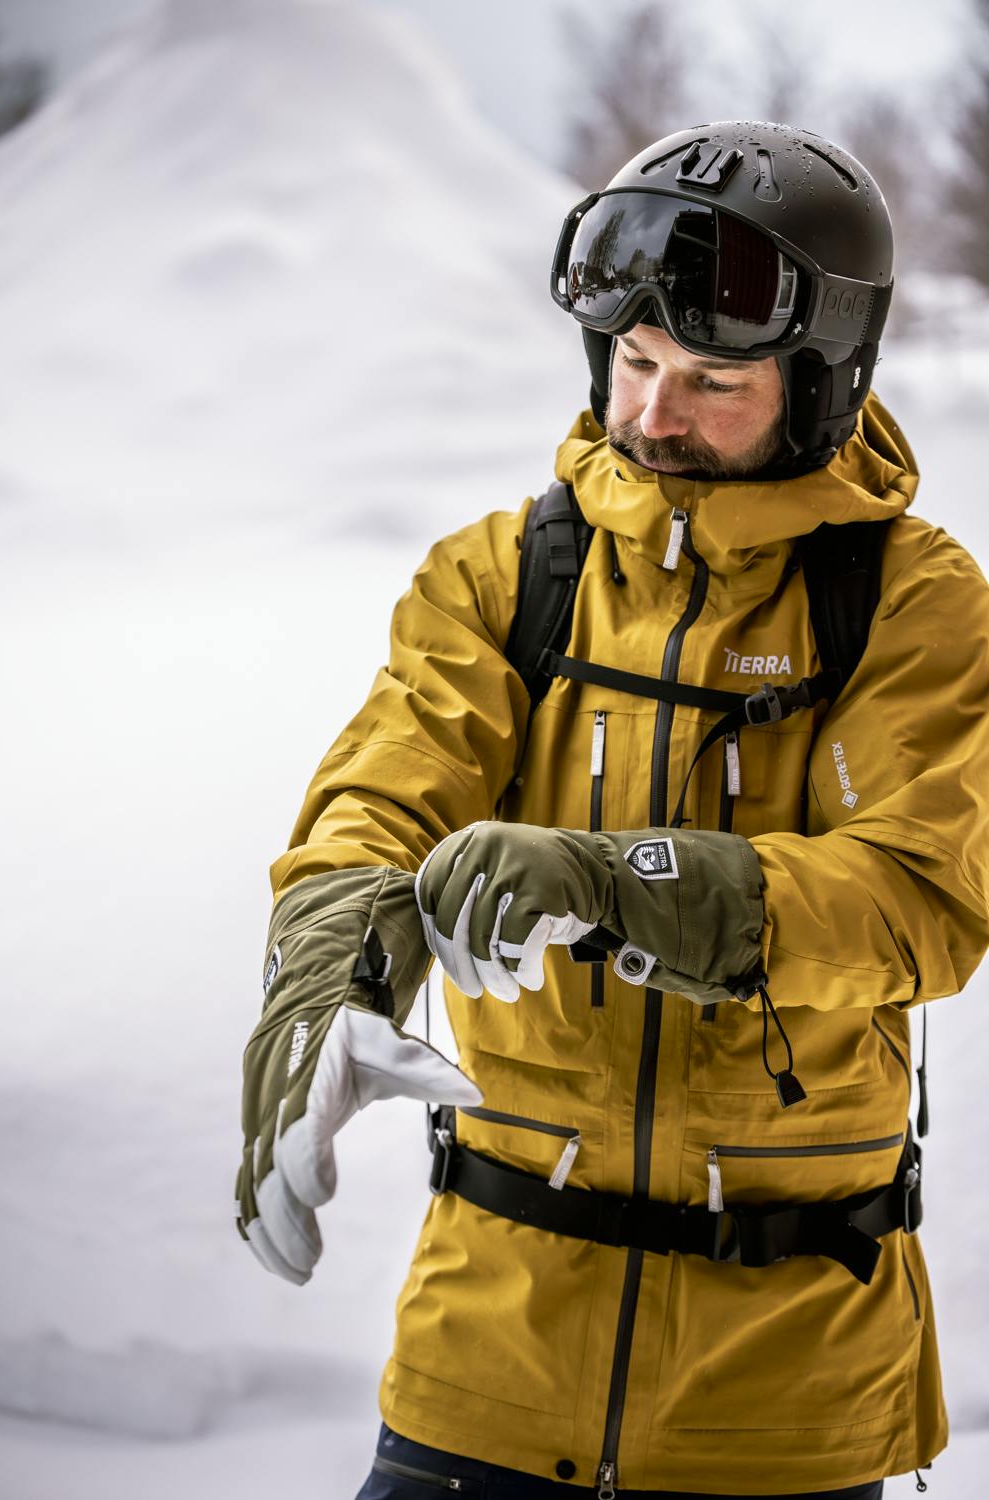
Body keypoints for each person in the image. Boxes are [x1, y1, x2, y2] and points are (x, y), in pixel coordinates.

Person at [235, 121, 989, 1499]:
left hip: (784, 1397)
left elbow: (920, 897)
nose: (653, 415)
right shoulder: (504, 575)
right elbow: (373, 810)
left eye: (711, 378)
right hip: (486, 1362)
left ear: (824, 384)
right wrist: (323, 988)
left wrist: (619, 878)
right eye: (636, 365)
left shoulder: (910, 602)